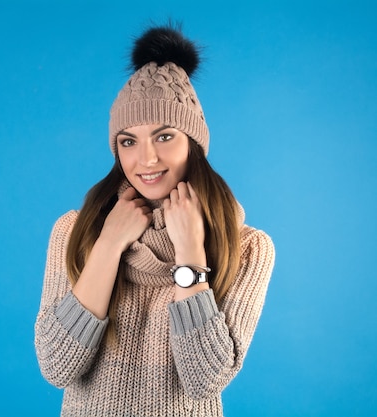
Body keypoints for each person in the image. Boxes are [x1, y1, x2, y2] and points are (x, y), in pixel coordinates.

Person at [34, 22, 275, 417]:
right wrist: (110, 244)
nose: (145, 159)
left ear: (193, 144)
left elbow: (205, 379)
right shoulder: (74, 232)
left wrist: (191, 254)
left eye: (164, 136)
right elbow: (57, 365)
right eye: (128, 141)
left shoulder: (246, 248)